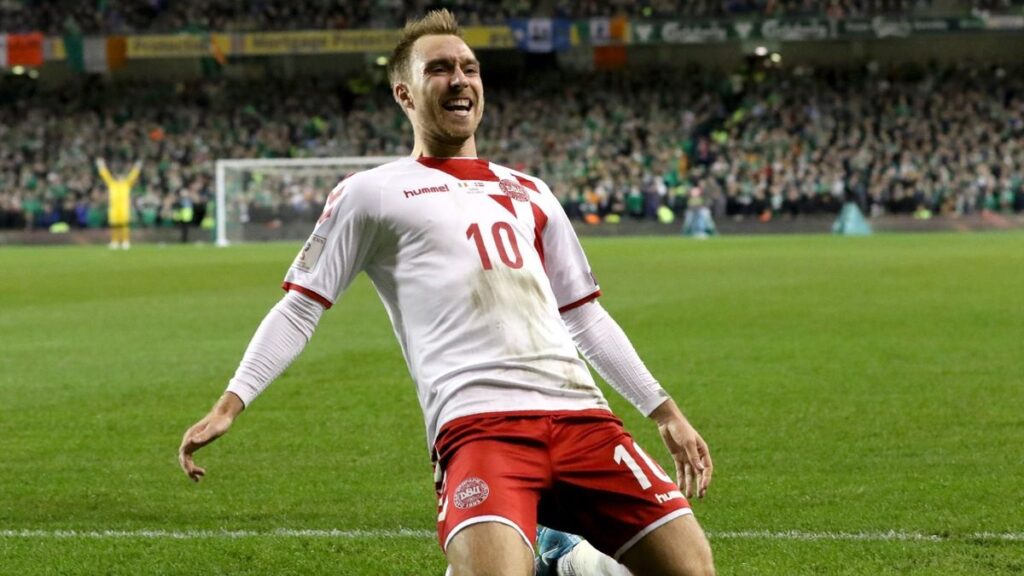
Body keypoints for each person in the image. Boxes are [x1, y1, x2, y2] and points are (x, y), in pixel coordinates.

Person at [178, 10, 714, 576]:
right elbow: (300, 308)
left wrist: (665, 413)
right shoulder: (371, 193)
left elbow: (585, 317)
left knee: (692, 569)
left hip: (583, 419)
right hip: (480, 425)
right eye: (439, 69)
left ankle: (564, 557)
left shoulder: (531, 191)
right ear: (404, 93)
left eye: (469, 68)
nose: (460, 79)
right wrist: (230, 403)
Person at [95, 157, 142, 249]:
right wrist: (101, 166)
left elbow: (133, 176)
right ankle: (114, 241)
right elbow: (105, 175)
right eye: (119, 177)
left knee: (124, 226)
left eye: (122, 177)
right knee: (114, 226)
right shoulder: (112, 184)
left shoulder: (127, 184)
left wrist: (137, 167)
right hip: (114, 209)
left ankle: (125, 241)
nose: (120, 178)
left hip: (124, 209)